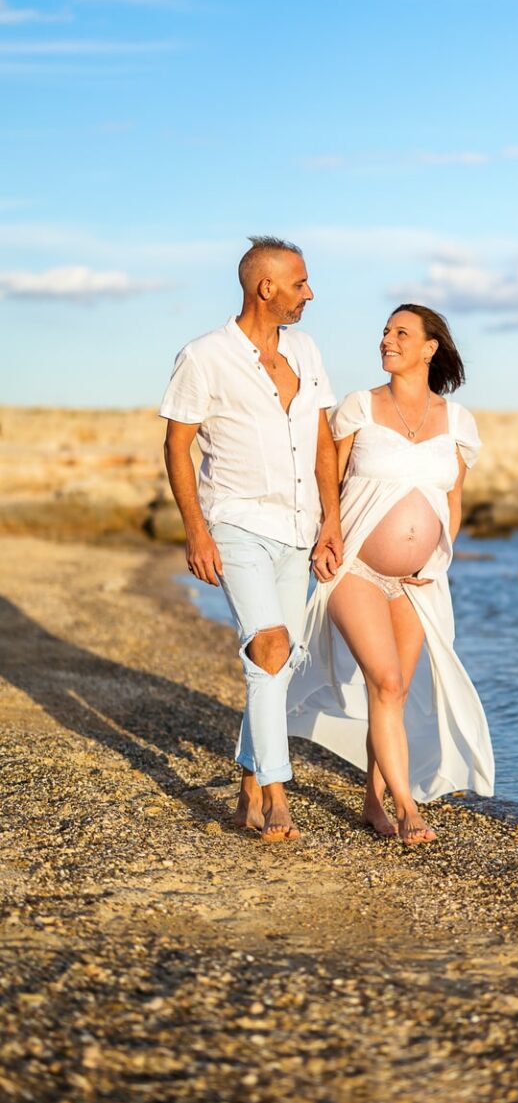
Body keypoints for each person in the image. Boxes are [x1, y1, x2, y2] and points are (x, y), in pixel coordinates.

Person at [288, 304, 494, 844]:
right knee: (387, 679)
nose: (387, 339)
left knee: (395, 694)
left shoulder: (457, 422)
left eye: (401, 333)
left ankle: (373, 800)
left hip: (418, 581)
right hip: (355, 566)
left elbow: (453, 500)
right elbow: (324, 476)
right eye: (384, 331)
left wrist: (439, 557)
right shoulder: (360, 406)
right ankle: (407, 807)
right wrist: (326, 532)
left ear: (430, 348)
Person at [160, 237, 341, 842]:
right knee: (267, 647)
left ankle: (244, 789)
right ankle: (276, 794)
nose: (309, 293)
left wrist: (331, 522)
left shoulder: (308, 351)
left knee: (281, 662)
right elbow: (176, 445)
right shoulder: (204, 356)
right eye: (301, 283)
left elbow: (321, 443)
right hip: (236, 523)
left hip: (299, 527)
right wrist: (196, 531)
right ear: (266, 287)